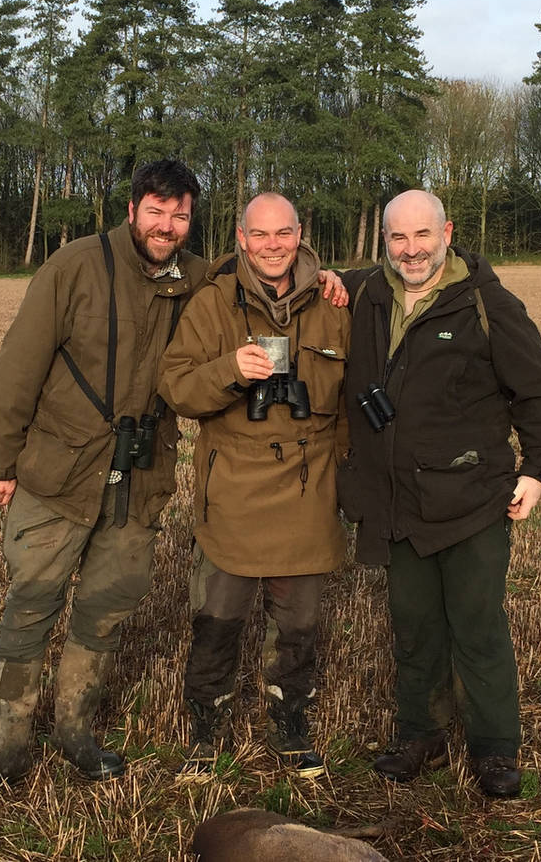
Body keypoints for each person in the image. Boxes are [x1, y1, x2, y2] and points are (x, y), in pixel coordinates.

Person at [0, 159, 208, 804]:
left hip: (140, 478)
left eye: (179, 215)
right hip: (57, 474)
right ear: (131, 210)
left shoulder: (201, 278)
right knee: (29, 609)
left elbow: (274, 263)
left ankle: (75, 733)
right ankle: (6, 749)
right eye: (156, 211)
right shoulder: (73, 267)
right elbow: (17, 368)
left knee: (104, 614)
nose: (167, 226)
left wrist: (323, 275)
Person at [337, 189, 541, 799]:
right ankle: (421, 736)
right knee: (413, 627)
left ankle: (494, 748)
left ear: (447, 232)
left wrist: (539, 471)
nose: (410, 250)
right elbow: (288, 269)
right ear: (383, 241)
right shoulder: (364, 293)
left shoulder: (488, 304)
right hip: (397, 502)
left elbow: (538, 392)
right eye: (397, 238)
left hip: (472, 500)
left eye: (421, 236)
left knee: (477, 627)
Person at [159, 193, 351, 779]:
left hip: (308, 489)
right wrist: (228, 371)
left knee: (297, 626)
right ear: (241, 238)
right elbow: (175, 388)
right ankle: (205, 729)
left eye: (284, 233)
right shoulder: (213, 302)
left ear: (301, 233)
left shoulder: (335, 302)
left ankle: (291, 724)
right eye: (260, 234)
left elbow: (351, 400)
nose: (273, 245)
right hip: (234, 492)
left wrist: (348, 481)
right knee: (216, 621)